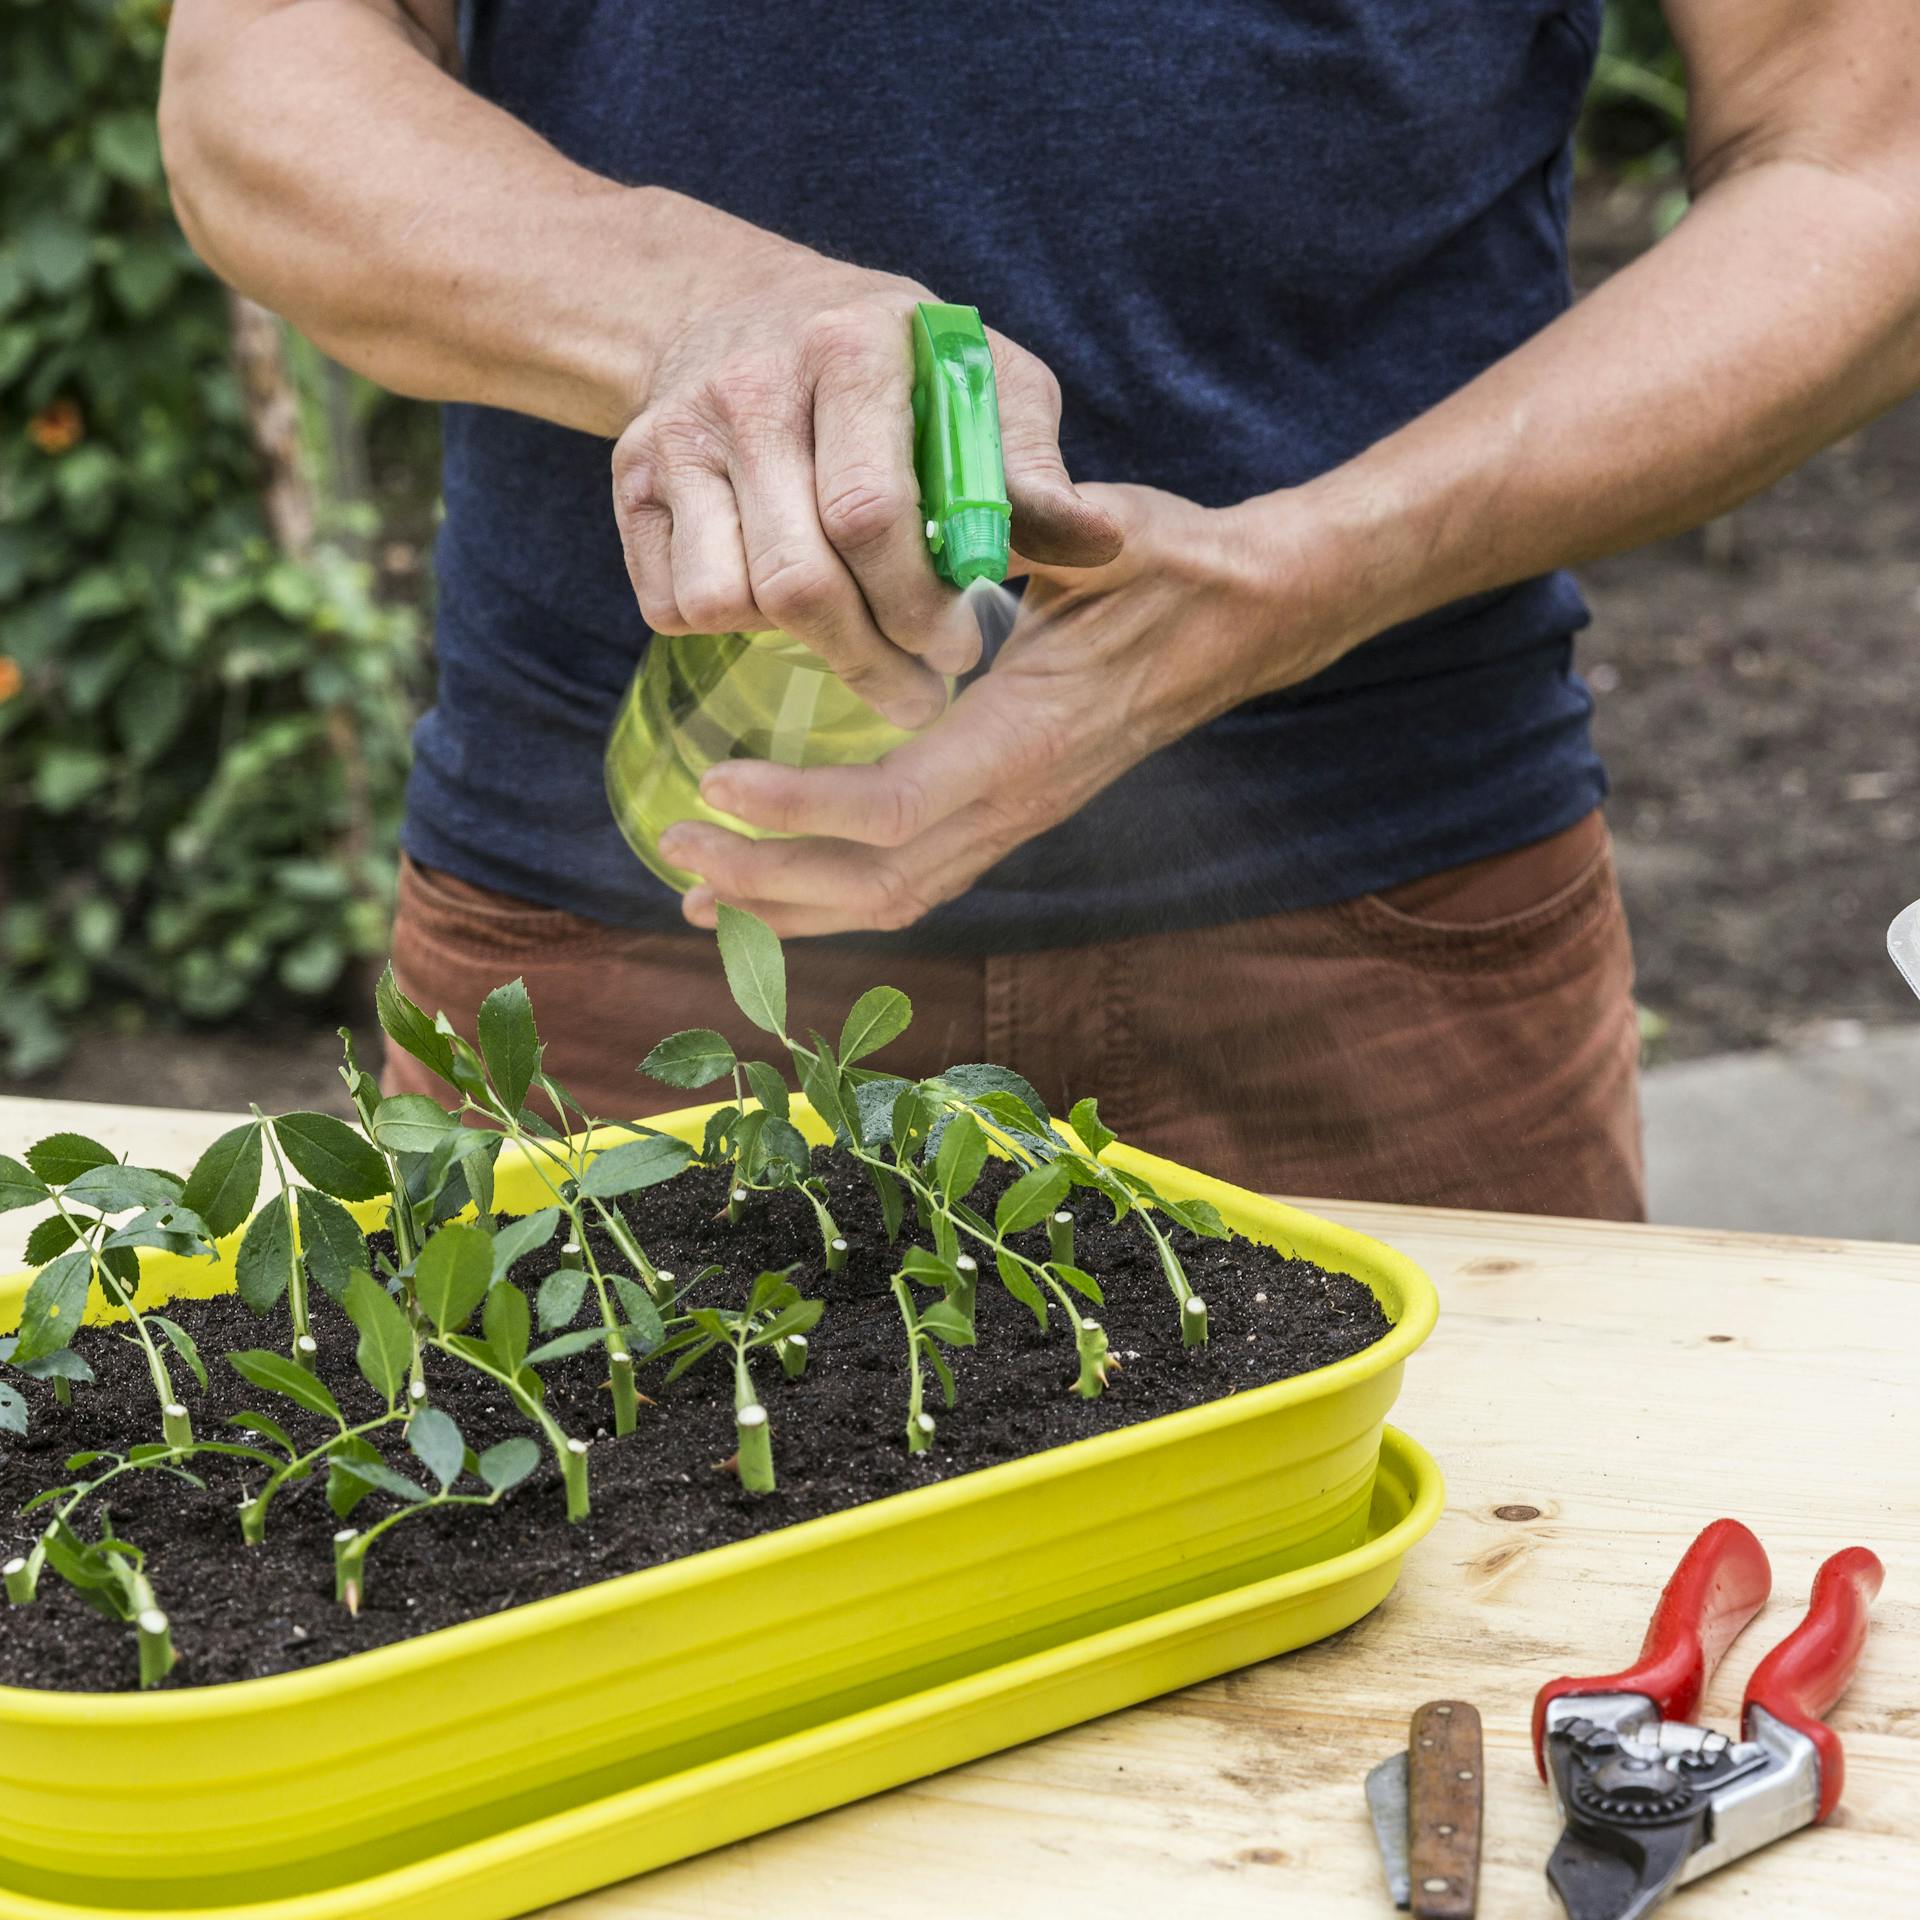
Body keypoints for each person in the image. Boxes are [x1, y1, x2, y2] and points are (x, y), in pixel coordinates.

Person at [160, 2, 1920, 1217]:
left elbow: (1862, 169)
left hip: (1378, 946)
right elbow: (258, 77)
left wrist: (1330, 562)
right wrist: (697, 310)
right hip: (632, 959)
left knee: (1477, 1689)